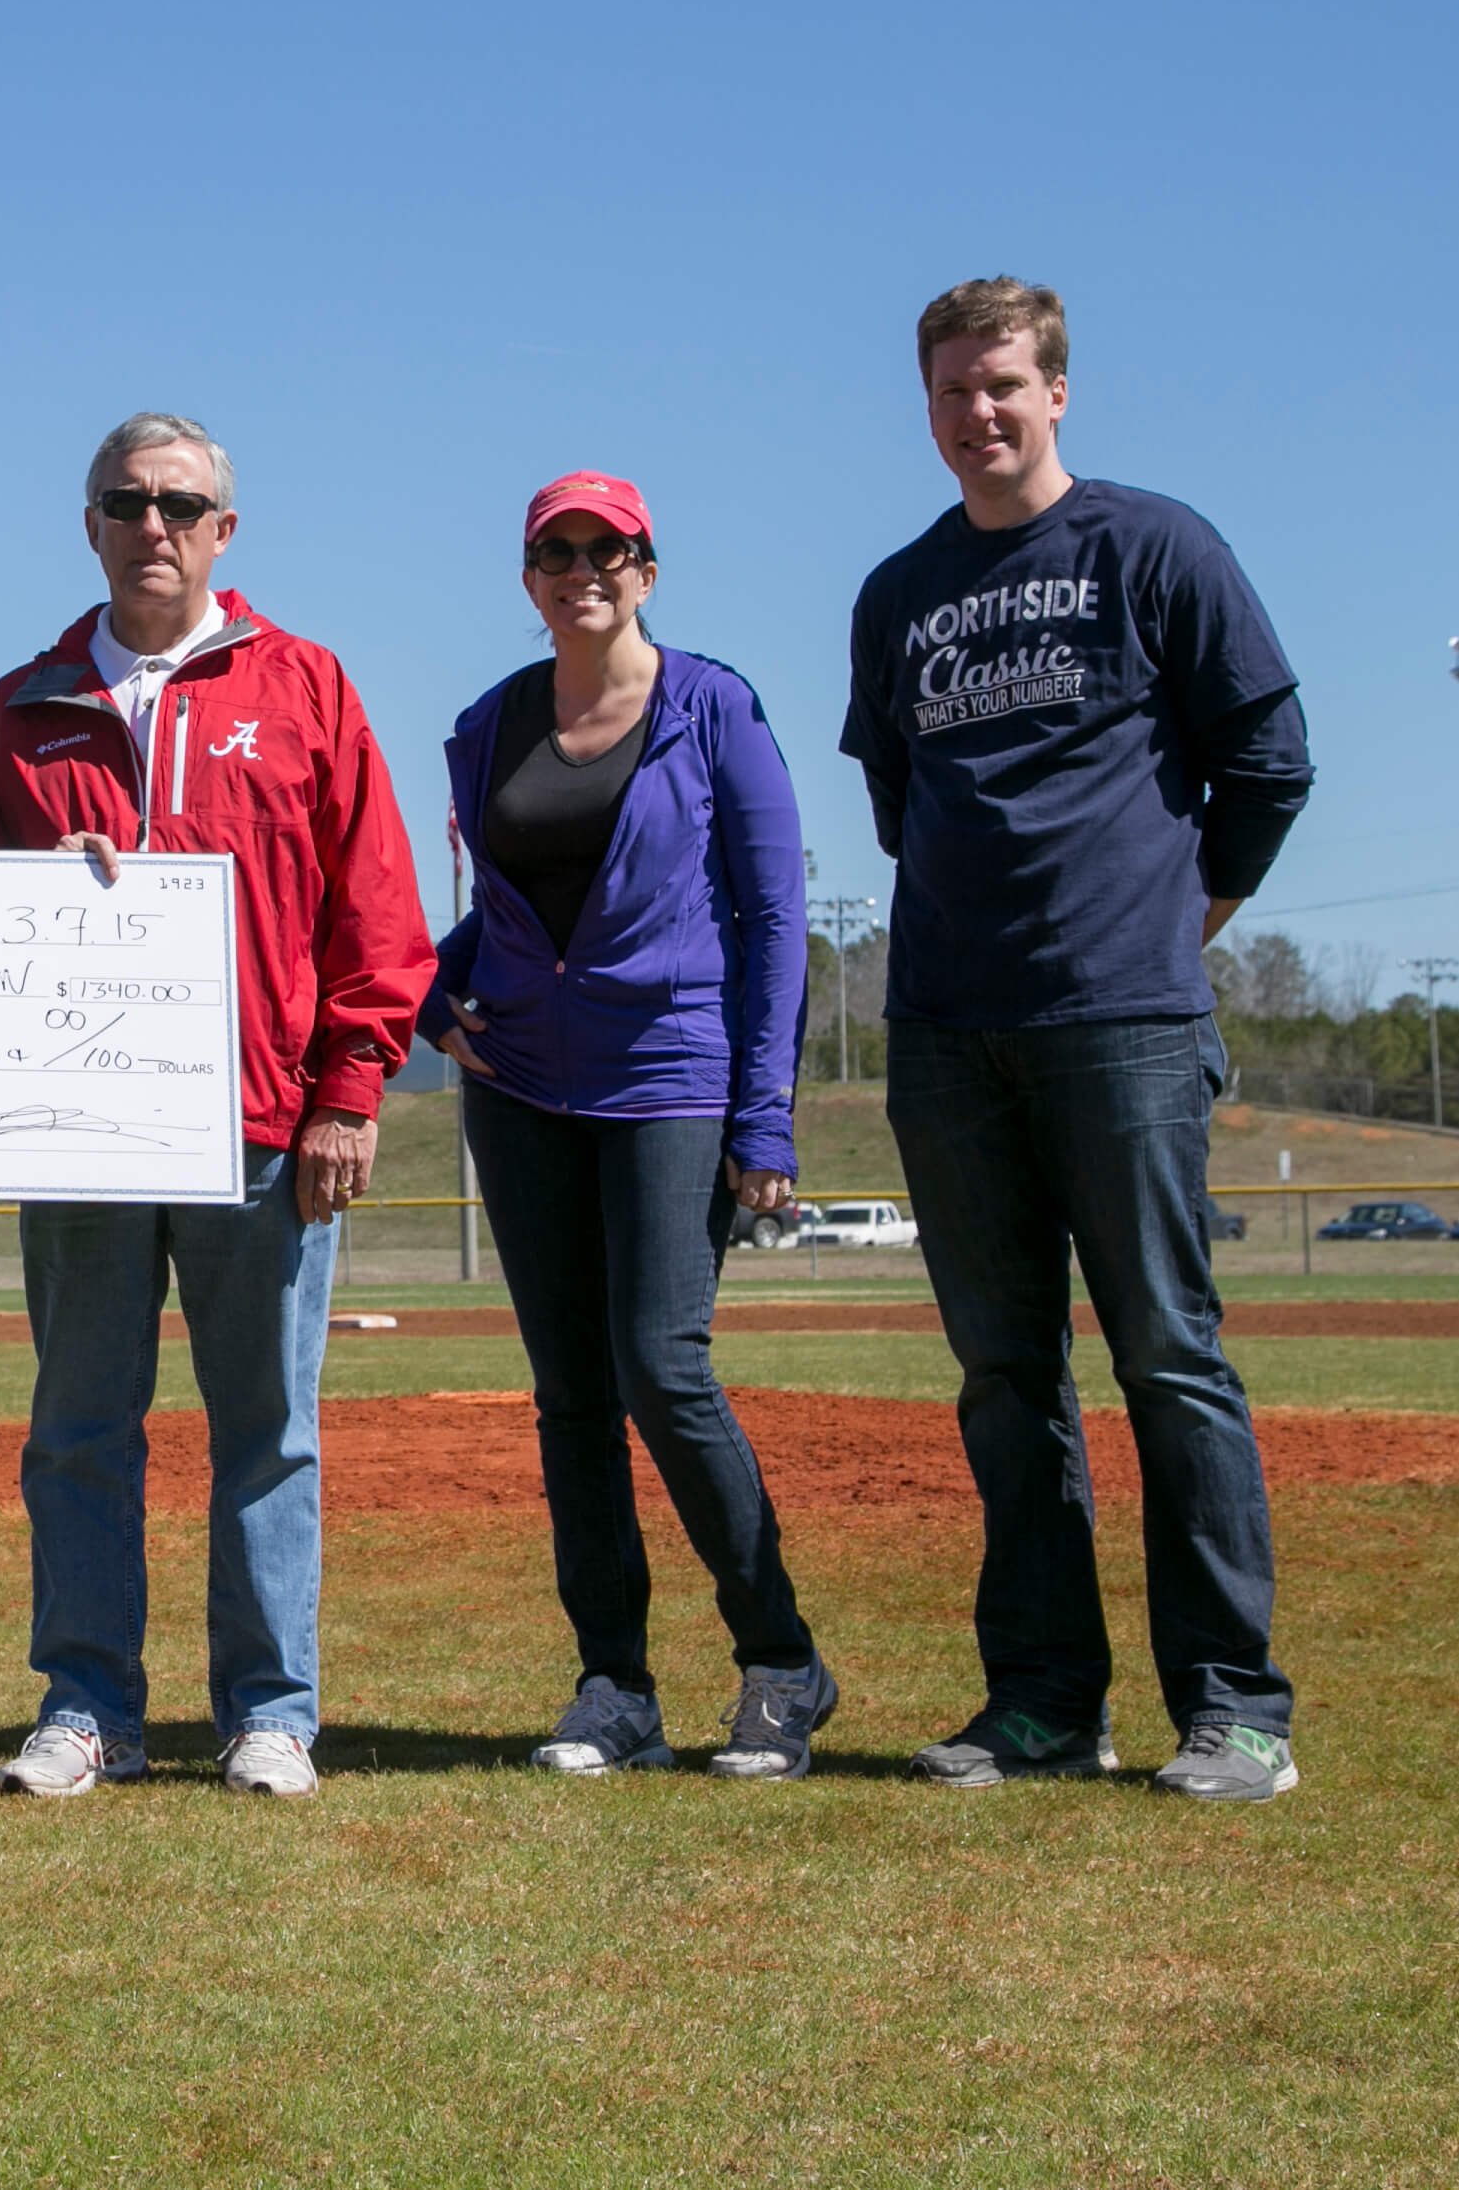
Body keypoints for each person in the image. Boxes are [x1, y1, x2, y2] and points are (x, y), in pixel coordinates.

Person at [0, 412, 434, 1798]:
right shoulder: (19, 711)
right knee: (79, 1424)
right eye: (125, 501)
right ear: (87, 523)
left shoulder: (307, 687)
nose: (153, 524)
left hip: (264, 1129)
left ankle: (269, 1709)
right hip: (75, 1134)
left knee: (266, 1428)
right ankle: (87, 1706)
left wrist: (348, 1089)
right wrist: (32, 895)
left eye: (180, 502)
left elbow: (374, 913)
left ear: (224, 529)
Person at [844, 277, 1312, 1802]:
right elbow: (900, 808)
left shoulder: (1152, 545)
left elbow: (1266, 762)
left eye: (1003, 385)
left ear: (1056, 391)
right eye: (950, 392)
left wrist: (1174, 923)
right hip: (946, 1030)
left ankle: (1235, 1708)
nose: (978, 413)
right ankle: (1044, 1702)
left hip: (1119, 1019)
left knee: (1168, 1358)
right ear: (925, 409)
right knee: (1003, 1377)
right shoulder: (896, 592)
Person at [425, 473, 832, 1780]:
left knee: (661, 1363)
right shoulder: (486, 725)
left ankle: (779, 1660)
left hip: (669, 1071)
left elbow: (772, 919)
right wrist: (435, 993)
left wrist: (761, 1114)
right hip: (519, 1084)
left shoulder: (712, 708)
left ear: (646, 568)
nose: (582, 566)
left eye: (608, 548)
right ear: (529, 573)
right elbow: (499, 909)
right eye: (557, 548)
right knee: (570, 1396)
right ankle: (614, 1686)